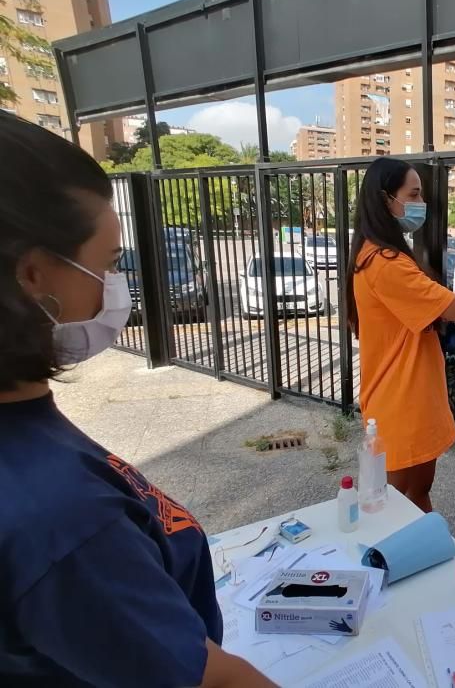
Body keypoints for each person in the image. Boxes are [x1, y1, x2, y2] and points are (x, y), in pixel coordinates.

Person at [0, 114, 273, 686]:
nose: (113, 286)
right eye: (106, 264)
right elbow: (212, 681)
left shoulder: (28, 432)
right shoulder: (61, 518)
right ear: (32, 276)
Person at [346, 158, 455, 512]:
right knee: (389, 509)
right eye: (413, 194)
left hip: (414, 397)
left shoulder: (387, 255)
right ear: (385, 200)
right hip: (399, 403)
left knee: (418, 495)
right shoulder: (384, 263)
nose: (421, 203)